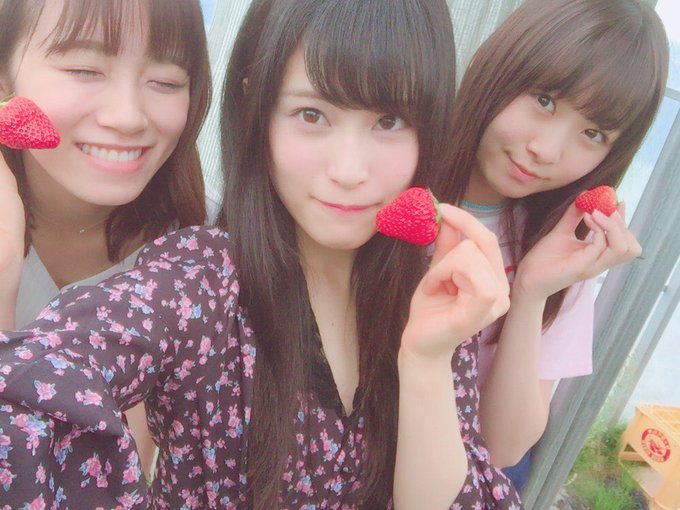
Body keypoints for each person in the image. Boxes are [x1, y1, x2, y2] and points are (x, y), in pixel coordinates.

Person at [0, 0, 520, 508]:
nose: (349, 170)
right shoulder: (199, 278)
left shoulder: (431, 287)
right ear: (258, 109)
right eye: (312, 114)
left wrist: (427, 360)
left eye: (389, 122)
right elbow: (40, 389)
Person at [432, 0, 669, 489]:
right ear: (501, 66)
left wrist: (531, 293)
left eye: (593, 133)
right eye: (544, 100)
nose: (546, 150)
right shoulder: (394, 178)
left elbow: (503, 448)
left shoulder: (561, 253)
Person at [0, 0, 211, 479]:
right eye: (84, 70)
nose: (128, 116)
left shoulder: (206, 257)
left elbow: (102, 480)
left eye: (166, 81)